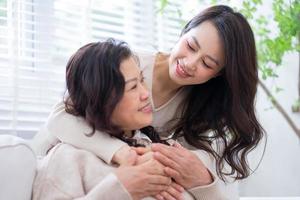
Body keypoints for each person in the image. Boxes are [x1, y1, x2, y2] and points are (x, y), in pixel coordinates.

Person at [32, 5, 264, 200]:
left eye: (208, 64)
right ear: (184, 31)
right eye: (191, 46)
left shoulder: (195, 109)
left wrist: (202, 179)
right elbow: (60, 118)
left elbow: (186, 165)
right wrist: (121, 153)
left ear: (218, 74)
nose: (191, 63)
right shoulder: (128, 64)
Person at [33, 39, 192, 200]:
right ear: (100, 101)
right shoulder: (68, 158)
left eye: (142, 80)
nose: (146, 94)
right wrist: (120, 189)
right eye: (132, 87)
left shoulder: (161, 149)